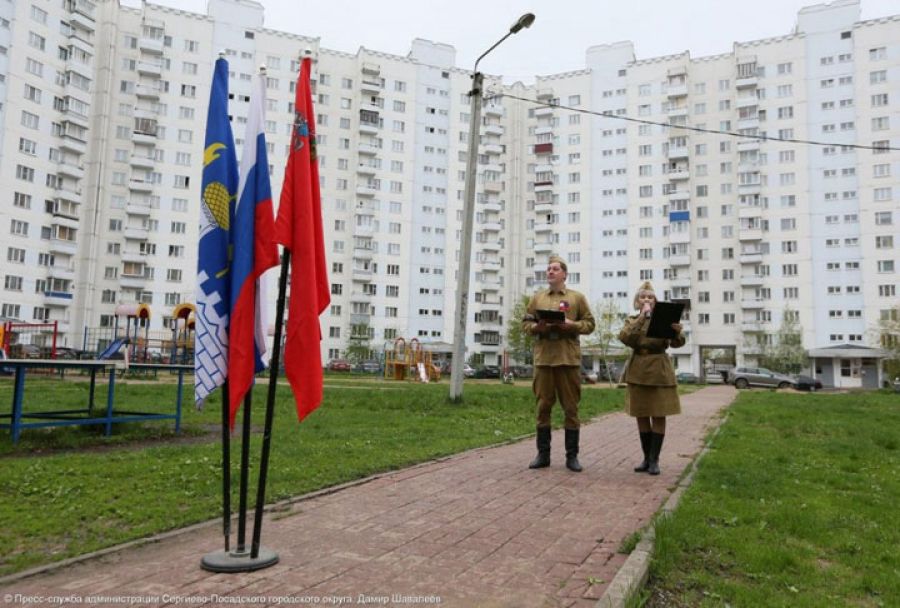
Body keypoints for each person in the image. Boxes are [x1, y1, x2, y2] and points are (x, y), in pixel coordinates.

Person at [522, 255, 595, 472]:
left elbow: (590, 324)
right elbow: (525, 323)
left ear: (564, 274)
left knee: (571, 408)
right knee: (543, 406)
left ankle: (572, 457)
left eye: (555, 269)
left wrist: (572, 325)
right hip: (544, 359)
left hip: (567, 359)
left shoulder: (577, 298)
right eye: (548, 269)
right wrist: (537, 328)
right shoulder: (537, 299)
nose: (550, 272)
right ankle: (542, 455)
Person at [618, 281, 684, 475]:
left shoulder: (663, 319)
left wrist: (677, 332)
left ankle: (655, 460)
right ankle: (646, 458)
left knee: (658, 413)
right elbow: (625, 338)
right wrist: (641, 318)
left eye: (650, 297)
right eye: (642, 297)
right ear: (637, 302)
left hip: (659, 370)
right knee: (641, 413)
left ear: (656, 302)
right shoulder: (631, 321)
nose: (646, 299)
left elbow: (677, 343)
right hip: (638, 368)